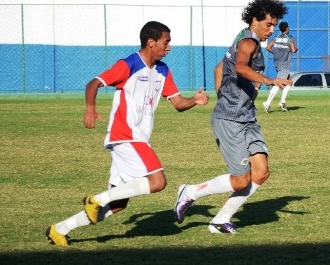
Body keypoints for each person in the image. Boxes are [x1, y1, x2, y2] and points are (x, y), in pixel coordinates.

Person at [45, 21, 209, 246]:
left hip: (137, 139)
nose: (169, 46)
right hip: (126, 136)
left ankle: (60, 229)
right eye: (166, 41)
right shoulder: (128, 64)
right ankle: (96, 199)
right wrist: (90, 109)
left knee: (119, 204)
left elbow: (178, 103)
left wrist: (195, 101)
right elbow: (94, 83)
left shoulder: (162, 70)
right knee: (158, 181)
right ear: (151, 43)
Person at [174, 0, 292, 234]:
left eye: (273, 24)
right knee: (241, 180)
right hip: (231, 120)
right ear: (255, 20)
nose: (271, 29)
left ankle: (220, 220)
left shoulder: (241, 38)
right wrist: (268, 80)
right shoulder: (249, 43)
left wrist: (224, 96)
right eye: (268, 24)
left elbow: (220, 68)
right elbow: (239, 67)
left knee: (261, 172)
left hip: (246, 116)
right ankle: (190, 191)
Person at [262, 21, 298, 113]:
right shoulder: (290, 38)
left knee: (289, 82)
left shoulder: (276, 38)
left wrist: (276, 53)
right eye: (288, 27)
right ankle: (267, 103)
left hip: (277, 62)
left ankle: (282, 102)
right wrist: (296, 48)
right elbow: (293, 50)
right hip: (285, 64)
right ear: (287, 28)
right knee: (278, 83)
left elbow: (268, 48)